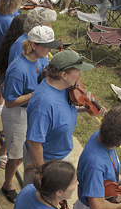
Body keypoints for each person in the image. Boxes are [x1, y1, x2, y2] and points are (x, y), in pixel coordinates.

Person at [1, 27, 62, 203]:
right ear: (34, 45)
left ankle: (3, 150)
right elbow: (10, 102)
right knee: (17, 155)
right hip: (17, 114)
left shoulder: (40, 59)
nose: (50, 50)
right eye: (47, 46)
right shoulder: (18, 69)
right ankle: (7, 185)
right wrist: (37, 94)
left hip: (29, 111)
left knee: (18, 147)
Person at [23, 50, 100, 185]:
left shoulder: (65, 88)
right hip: (46, 161)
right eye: (78, 71)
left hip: (61, 155)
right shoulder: (43, 104)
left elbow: (61, 113)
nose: (80, 75)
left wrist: (88, 108)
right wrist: (43, 174)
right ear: (64, 75)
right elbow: (34, 142)